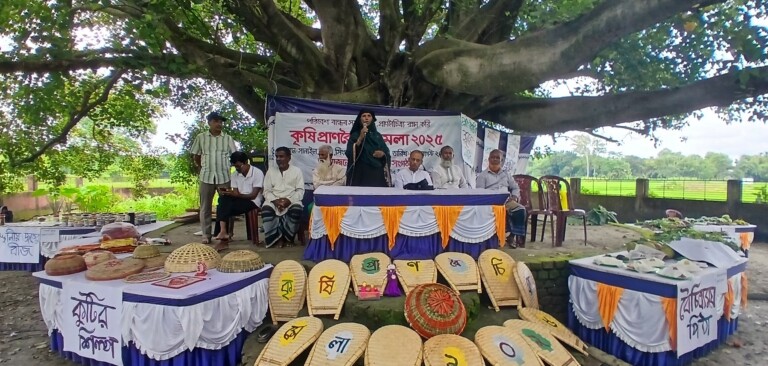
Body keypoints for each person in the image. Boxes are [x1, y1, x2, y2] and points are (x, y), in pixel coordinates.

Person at [190, 111, 238, 244]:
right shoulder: (201, 137)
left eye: (220, 122)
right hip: (206, 176)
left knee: (227, 205)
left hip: (224, 176)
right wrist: (203, 167)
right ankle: (206, 234)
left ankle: (228, 233)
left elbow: (234, 156)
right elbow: (196, 156)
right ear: (209, 122)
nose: (219, 124)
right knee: (205, 207)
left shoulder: (227, 138)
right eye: (216, 121)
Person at [211, 152, 264, 251]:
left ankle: (223, 238)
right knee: (223, 200)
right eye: (235, 166)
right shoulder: (235, 174)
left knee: (223, 207)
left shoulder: (257, 173)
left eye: (239, 166)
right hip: (240, 200)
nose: (237, 169)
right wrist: (229, 193)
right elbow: (235, 192)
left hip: (253, 202)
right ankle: (223, 232)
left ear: (246, 162)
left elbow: (253, 195)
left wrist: (236, 195)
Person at [476, 149, 527, 248]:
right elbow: (480, 193)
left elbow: (515, 187)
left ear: (502, 160)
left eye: (497, 158)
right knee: (500, 212)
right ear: (489, 159)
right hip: (491, 203)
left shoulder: (506, 174)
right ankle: (498, 237)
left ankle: (511, 236)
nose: (495, 160)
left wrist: (514, 197)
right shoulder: (483, 175)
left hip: (507, 201)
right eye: (492, 157)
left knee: (520, 210)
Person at [262, 147, 305, 248]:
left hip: (291, 199)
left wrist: (289, 200)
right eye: (277, 157)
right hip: (273, 200)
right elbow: (266, 191)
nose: (278, 159)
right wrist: (276, 201)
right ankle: (275, 239)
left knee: (296, 210)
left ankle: (287, 238)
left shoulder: (297, 171)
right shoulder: (271, 171)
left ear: (289, 158)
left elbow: (300, 190)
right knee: (266, 210)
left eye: (281, 156)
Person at [345, 109, 391, 187]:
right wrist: (360, 138)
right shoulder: (355, 135)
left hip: (377, 174)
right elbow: (349, 153)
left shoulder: (378, 136)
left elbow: (386, 152)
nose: (366, 118)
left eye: (369, 116)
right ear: (360, 119)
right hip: (360, 173)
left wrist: (383, 154)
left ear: (372, 119)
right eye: (364, 116)